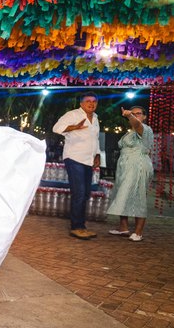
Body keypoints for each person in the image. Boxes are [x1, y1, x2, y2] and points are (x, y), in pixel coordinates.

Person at [52, 91, 102, 240]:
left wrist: (97, 154)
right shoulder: (73, 114)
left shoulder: (96, 118)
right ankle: (77, 227)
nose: (91, 103)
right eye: (88, 101)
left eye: (94, 101)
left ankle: (81, 225)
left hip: (88, 160)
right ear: (81, 103)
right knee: (79, 192)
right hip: (74, 157)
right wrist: (73, 127)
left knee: (85, 193)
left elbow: (95, 139)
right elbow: (56, 128)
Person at [106, 106, 154, 242]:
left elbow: (137, 124)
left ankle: (138, 232)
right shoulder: (130, 132)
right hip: (125, 167)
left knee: (138, 197)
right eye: (133, 114)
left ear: (144, 116)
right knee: (123, 194)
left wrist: (129, 116)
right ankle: (123, 227)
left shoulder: (145, 129)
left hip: (137, 166)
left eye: (138, 114)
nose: (135, 116)